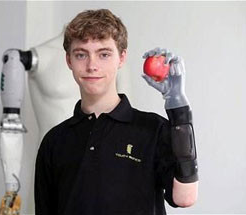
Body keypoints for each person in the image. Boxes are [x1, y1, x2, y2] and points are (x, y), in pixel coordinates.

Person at [34, 9, 198, 215]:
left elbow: (185, 197)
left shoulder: (153, 129)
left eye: (104, 54)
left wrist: (179, 108)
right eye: (81, 54)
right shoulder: (54, 141)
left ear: (121, 58)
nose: (92, 66)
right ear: (69, 61)